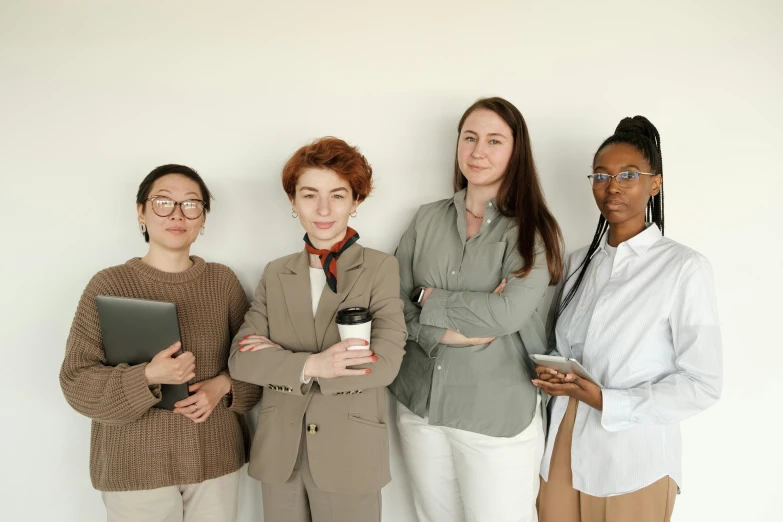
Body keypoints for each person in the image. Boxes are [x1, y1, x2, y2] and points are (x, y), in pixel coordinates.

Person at [534, 116, 722, 522]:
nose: (612, 186)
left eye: (628, 175)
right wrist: (553, 374)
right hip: (564, 445)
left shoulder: (683, 268)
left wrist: (609, 401)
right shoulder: (578, 264)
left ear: (655, 183)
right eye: (601, 175)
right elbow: (565, 348)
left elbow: (703, 383)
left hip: (634, 458)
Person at [389, 97, 564, 522]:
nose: (478, 151)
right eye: (470, 138)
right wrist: (446, 329)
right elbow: (391, 303)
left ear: (515, 151)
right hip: (420, 407)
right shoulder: (426, 219)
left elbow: (505, 316)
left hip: (496, 415)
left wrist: (428, 298)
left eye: (494, 140)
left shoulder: (532, 230)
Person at [60, 164, 262, 522]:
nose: (177, 214)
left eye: (191, 205)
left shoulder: (222, 283)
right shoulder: (108, 285)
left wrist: (225, 386)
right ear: (141, 211)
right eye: (163, 202)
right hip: (135, 468)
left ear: (203, 218)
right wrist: (147, 376)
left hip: (214, 460)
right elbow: (77, 382)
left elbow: (259, 363)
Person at [227, 137, 407, 522]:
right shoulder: (276, 272)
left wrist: (281, 360)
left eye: (338, 195)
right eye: (310, 195)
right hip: (280, 455)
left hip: (351, 452)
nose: (323, 209)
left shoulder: (379, 269)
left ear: (355, 202)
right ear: (293, 202)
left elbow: (387, 362)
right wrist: (314, 365)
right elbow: (242, 360)